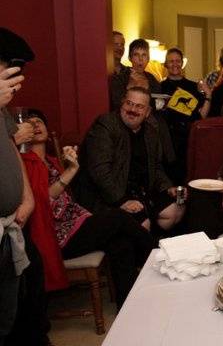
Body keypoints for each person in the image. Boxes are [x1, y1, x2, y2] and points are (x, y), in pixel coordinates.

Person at [22, 109, 155, 309]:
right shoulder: (25, 163)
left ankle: (129, 307)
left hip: (76, 224)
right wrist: (71, 170)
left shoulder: (52, 161)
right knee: (118, 217)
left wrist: (70, 166)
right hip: (57, 236)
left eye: (39, 121)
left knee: (121, 243)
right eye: (30, 122)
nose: (35, 125)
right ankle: (160, 256)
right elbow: (44, 200)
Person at [75, 87, 186, 234]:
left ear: (147, 112)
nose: (132, 109)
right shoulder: (106, 125)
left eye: (139, 106)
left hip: (140, 190)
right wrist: (121, 201)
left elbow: (156, 167)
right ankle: (143, 246)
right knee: (142, 224)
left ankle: (151, 242)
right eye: (129, 103)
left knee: (176, 210)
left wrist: (167, 188)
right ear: (122, 104)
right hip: (107, 195)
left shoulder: (150, 131)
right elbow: (99, 171)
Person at [0, 28, 34, 346]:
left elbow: (10, 150)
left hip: (9, 227)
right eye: (11, 71)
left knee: (6, 318)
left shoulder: (3, 108)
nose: (18, 81)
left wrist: (27, 195)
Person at [161, 47, 211, 183]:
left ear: (182, 63)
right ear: (165, 64)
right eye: (171, 61)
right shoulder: (160, 87)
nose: (174, 64)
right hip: (168, 141)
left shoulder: (193, 86)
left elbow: (201, 116)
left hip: (189, 138)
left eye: (177, 61)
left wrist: (208, 96)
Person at [109, 38, 162, 111]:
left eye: (144, 55)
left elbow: (158, 104)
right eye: (136, 55)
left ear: (148, 58)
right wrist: (130, 85)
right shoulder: (119, 78)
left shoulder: (152, 79)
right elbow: (117, 105)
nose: (140, 59)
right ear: (130, 58)